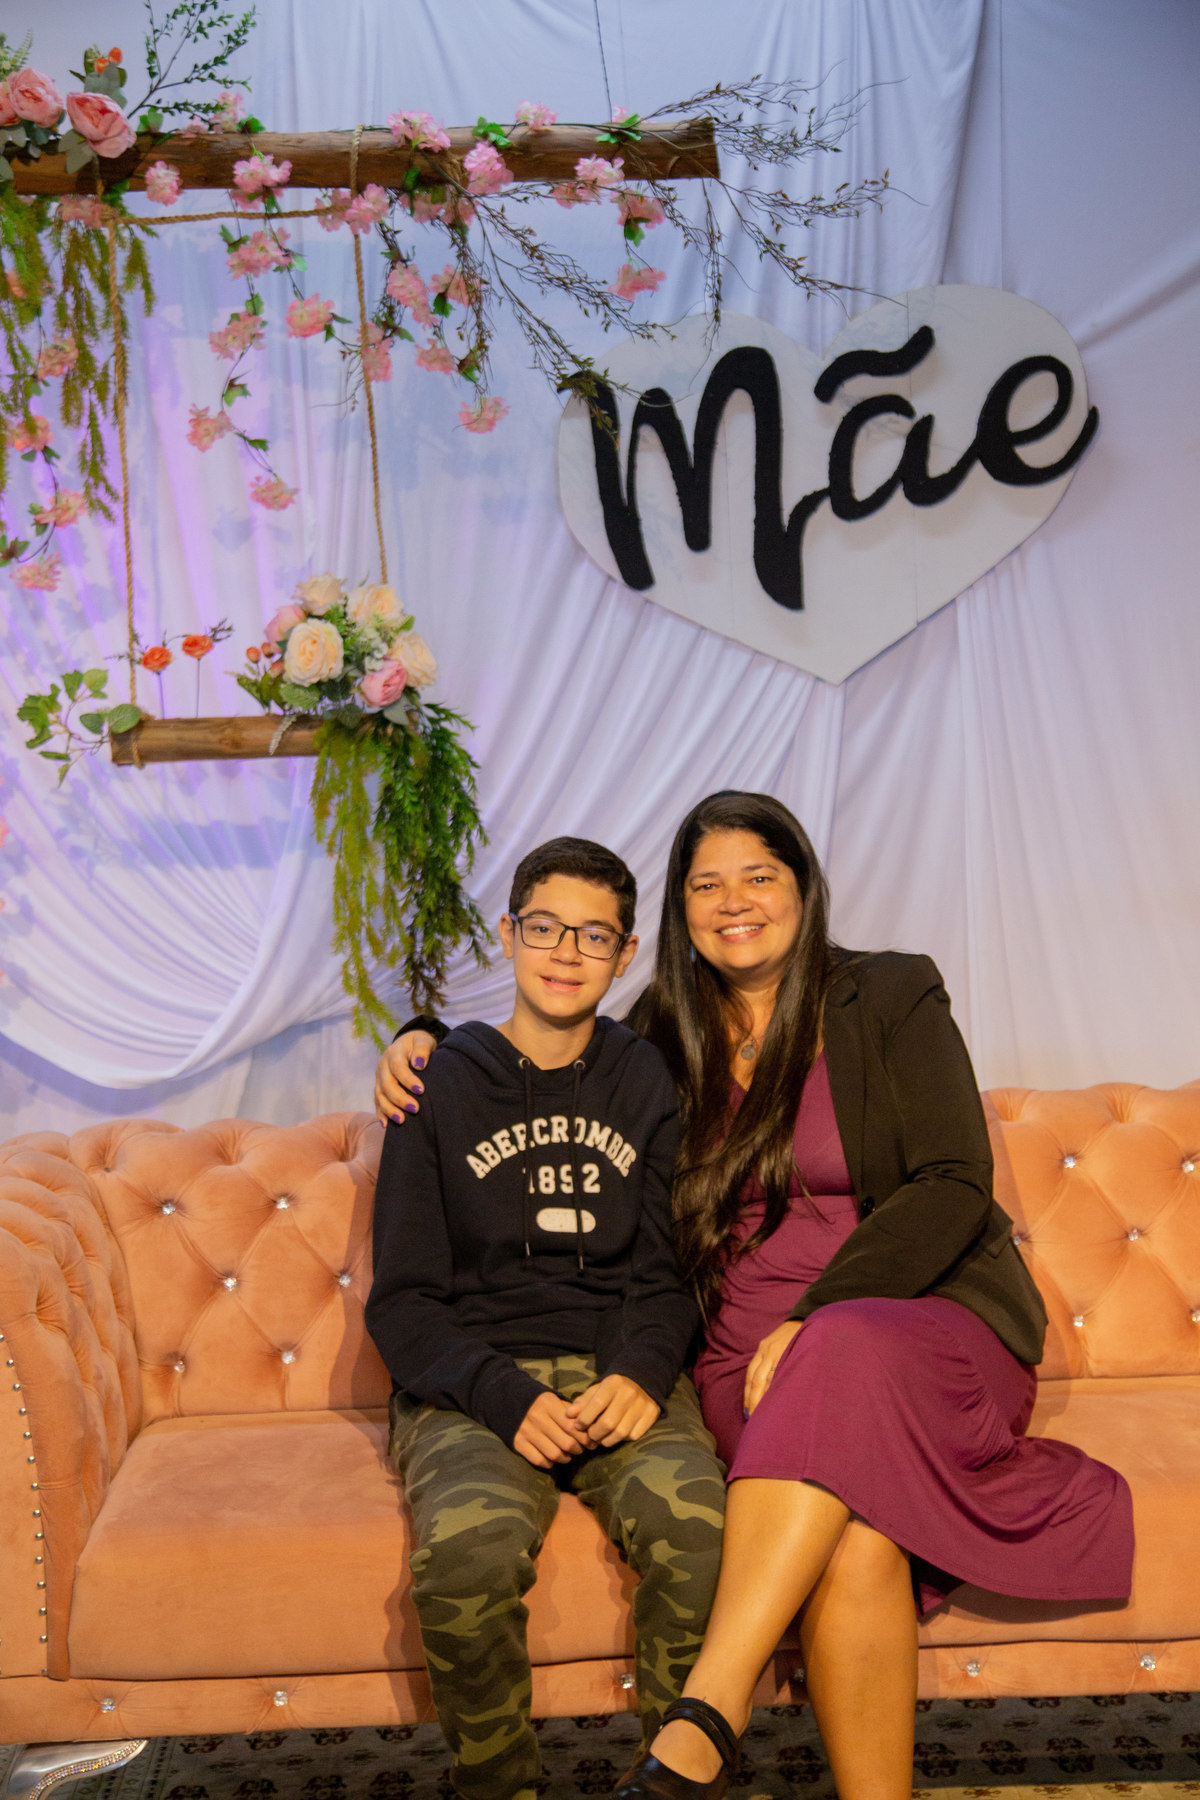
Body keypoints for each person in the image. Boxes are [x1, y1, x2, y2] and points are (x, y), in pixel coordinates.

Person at [377, 794, 1134, 1800]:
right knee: (858, 1544)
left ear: (804, 887)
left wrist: (817, 1314)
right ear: (679, 914)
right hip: (748, 1363)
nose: (734, 901)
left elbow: (955, 1183)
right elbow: (548, 1048)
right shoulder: (661, 1038)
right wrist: (423, 1040)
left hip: (915, 1323)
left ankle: (706, 1716)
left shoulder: (889, 994)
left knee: (842, 1348)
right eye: (707, 884)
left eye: (759, 876)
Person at [366, 836, 726, 1800]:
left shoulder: (648, 1081)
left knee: (700, 1537)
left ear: (625, 952)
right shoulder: (436, 1082)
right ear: (508, 933)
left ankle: (671, 1780)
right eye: (545, 927)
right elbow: (402, 1302)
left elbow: (666, 1272)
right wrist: (500, 1394)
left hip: (616, 1370)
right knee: (464, 1559)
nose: (567, 952)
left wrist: (640, 1373)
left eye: (594, 935)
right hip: (476, 1382)